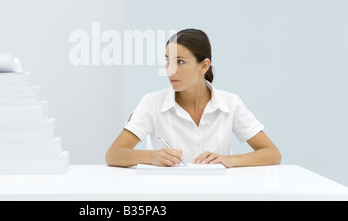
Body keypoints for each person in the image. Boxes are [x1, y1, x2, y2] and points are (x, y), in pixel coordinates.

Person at [106, 29, 281, 168]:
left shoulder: (230, 103)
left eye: (180, 62)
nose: (170, 70)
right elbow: (113, 155)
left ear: (204, 65)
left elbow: (272, 154)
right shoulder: (152, 103)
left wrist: (229, 160)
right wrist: (152, 156)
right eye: (168, 61)